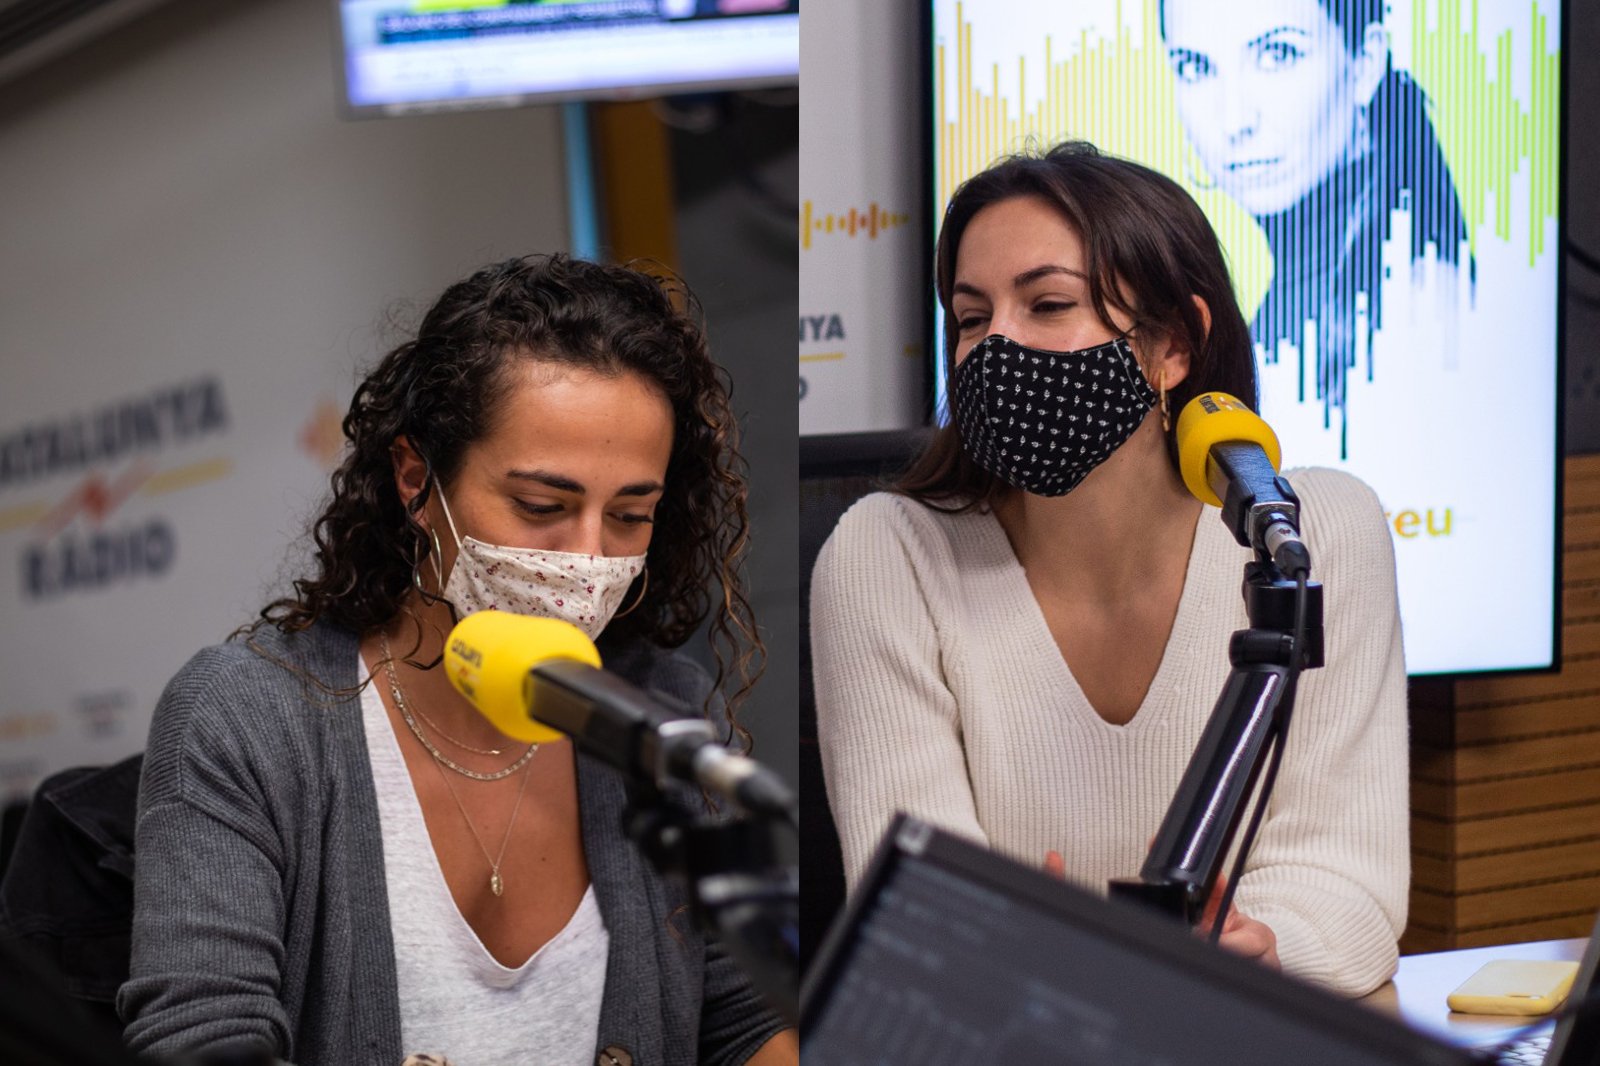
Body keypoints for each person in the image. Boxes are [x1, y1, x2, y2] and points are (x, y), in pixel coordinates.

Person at [118, 255, 797, 1065]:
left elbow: (745, 1023)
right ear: (415, 479)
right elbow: (201, 1039)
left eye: (629, 514)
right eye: (542, 506)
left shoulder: (661, 711)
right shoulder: (247, 718)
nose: (585, 557)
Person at [811, 142, 1409, 997]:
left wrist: (1256, 945)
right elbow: (924, 926)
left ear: (1173, 346)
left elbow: (1349, 883)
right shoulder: (886, 557)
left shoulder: (1315, 535)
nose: (996, 347)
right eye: (973, 319)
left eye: (1048, 304)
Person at [1160, 0, 1470, 455]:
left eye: (1279, 54)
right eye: (1195, 67)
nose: (1235, 121)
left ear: (1365, 63)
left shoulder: (1415, 297)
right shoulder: (1307, 294)